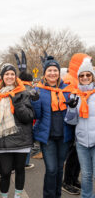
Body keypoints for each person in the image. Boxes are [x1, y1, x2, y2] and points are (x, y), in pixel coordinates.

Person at [31, 56, 74, 198]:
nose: (52, 73)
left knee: (59, 169)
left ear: (59, 73)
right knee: (51, 169)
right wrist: (35, 101)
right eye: (49, 70)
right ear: (44, 73)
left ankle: (57, 195)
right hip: (47, 136)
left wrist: (73, 106)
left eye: (55, 70)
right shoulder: (39, 89)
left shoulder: (67, 89)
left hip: (64, 135)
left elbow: (73, 114)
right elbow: (36, 115)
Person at [0, 63, 34, 198]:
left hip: (21, 139)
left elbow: (28, 117)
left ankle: (17, 196)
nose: (10, 76)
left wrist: (17, 103)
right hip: (3, 139)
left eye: (12, 74)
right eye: (7, 74)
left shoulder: (23, 93)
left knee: (19, 170)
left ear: (15, 77)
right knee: (5, 172)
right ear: (2, 77)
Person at [64, 55, 95, 198]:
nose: (85, 77)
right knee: (86, 174)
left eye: (88, 75)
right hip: (82, 142)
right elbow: (71, 122)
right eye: (81, 75)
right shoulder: (74, 96)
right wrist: (71, 109)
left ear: (92, 76)